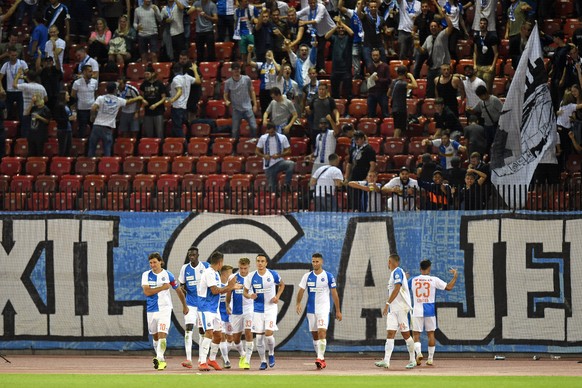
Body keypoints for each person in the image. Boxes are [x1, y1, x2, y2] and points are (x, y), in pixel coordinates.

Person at [141, 252, 188, 371]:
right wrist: (163, 287)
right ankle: (160, 359)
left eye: (155, 262)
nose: (153, 265)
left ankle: (159, 357)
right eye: (150, 263)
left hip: (165, 309)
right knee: (155, 336)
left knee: (162, 334)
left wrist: (184, 305)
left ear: (160, 262)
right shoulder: (146, 275)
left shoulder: (168, 275)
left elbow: (178, 291)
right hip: (151, 310)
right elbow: (147, 292)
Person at [296, 253, 342, 369]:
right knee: (315, 336)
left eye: (317, 261)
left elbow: (334, 294)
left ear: (322, 262)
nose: (315, 263)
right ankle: (320, 357)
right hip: (311, 310)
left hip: (323, 309)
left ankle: (320, 358)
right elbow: (301, 290)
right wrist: (298, 303)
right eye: (313, 261)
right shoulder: (307, 276)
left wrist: (338, 310)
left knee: (322, 332)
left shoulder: (328, 276)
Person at [197, 251, 242, 371]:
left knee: (218, 335)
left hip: (214, 309)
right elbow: (215, 291)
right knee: (209, 332)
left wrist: (230, 287)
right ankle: (202, 361)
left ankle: (211, 359)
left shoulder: (216, 273)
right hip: (205, 307)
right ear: (220, 262)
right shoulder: (209, 273)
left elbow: (219, 289)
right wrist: (231, 287)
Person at [410, 259, 458, 366]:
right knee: (431, 334)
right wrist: (455, 276)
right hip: (430, 310)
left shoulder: (413, 280)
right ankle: (430, 359)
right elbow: (449, 287)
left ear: (420, 268)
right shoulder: (433, 280)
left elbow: (403, 286)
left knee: (416, 334)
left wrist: (405, 277)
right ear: (429, 268)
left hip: (417, 310)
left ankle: (419, 353)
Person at [243, 253, 285, 370]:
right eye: (258, 261)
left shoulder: (273, 274)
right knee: (259, 338)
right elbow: (245, 292)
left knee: (268, 334)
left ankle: (271, 354)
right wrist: (250, 295)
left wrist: (277, 296)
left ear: (266, 263)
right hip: (257, 310)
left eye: (262, 261)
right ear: (256, 263)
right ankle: (262, 361)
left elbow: (282, 285)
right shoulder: (250, 277)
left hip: (270, 308)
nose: (260, 263)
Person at [375, 253, 416, 370]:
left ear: (392, 262)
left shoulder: (397, 271)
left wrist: (387, 303)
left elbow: (397, 288)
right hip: (393, 310)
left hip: (401, 309)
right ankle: (386, 361)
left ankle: (413, 359)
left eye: (388, 261)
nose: (387, 264)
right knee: (390, 333)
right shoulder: (394, 274)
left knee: (406, 335)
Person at [89, 82, 143, 157]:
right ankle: (106, 165)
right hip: (107, 128)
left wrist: (92, 117)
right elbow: (128, 102)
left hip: (97, 126)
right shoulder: (118, 100)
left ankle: (90, 164)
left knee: (91, 148)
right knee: (107, 149)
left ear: (106, 89)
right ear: (115, 90)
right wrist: (137, 98)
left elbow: (93, 108)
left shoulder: (100, 98)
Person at [178, 245, 210, 369]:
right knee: (188, 329)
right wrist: (184, 304)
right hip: (190, 304)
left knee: (202, 332)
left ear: (198, 255)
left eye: (194, 254)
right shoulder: (185, 268)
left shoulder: (206, 266)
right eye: (190, 254)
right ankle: (189, 359)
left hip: (202, 305)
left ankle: (202, 359)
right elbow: (181, 285)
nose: (192, 256)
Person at [414, 16, 453, 98]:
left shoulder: (443, 35)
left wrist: (445, 15)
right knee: (429, 90)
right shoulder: (428, 38)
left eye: (435, 26)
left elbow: (450, 26)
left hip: (441, 67)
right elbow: (423, 51)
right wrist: (417, 46)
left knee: (442, 90)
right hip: (431, 68)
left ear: (439, 28)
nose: (433, 28)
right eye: (431, 26)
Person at [226, 257, 254, 370]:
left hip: (249, 309)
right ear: (238, 266)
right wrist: (227, 305)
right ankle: (242, 354)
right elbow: (228, 292)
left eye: (245, 268)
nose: (243, 270)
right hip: (236, 310)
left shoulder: (252, 277)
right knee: (236, 339)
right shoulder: (233, 277)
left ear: (249, 267)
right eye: (241, 268)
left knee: (248, 332)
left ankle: (247, 360)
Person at [296, 0, 335, 73]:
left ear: (316, 2)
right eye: (310, 3)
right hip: (320, 33)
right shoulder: (308, 9)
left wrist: (304, 22)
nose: (312, 4)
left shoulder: (321, 7)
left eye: (314, 3)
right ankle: (321, 69)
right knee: (319, 49)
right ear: (308, 3)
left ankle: (332, 62)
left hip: (330, 30)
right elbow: (297, 14)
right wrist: (284, 16)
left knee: (334, 47)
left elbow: (317, 20)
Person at [255, 122, 295, 192]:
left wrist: (279, 155)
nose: (271, 134)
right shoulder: (263, 138)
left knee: (291, 164)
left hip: (279, 162)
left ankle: (287, 184)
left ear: (275, 129)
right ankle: (275, 197)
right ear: (267, 130)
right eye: (269, 132)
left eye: (272, 132)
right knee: (272, 189)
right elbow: (257, 151)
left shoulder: (282, 137)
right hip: (268, 166)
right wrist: (264, 155)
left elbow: (289, 151)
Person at [224, 62, 259, 140]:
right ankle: (234, 147)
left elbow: (252, 91)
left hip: (247, 107)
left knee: (254, 126)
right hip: (236, 109)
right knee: (234, 130)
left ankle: (253, 141)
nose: (237, 71)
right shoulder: (228, 82)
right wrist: (226, 100)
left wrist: (255, 104)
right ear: (232, 71)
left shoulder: (246, 79)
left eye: (238, 69)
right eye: (235, 70)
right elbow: (225, 94)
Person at [345, 130, 377, 210]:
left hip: (363, 175)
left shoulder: (369, 149)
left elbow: (372, 165)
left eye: (358, 139)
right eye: (355, 139)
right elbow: (349, 164)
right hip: (354, 175)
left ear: (363, 138)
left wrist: (368, 177)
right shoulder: (353, 149)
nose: (356, 141)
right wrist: (346, 177)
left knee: (362, 198)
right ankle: (354, 211)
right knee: (353, 197)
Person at [167, 62, 200, 137]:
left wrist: (172, 100)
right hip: (184, 107)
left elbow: (179, 91)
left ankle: (184, 144)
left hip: (177, 107)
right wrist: (195, 70)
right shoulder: (187, 77)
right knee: (182, 125)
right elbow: (198, 81)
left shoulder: (176, 79)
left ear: (173, 71)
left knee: (177, 128)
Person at [325, 16, 354, 99]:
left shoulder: (348, 38)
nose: (341, 29)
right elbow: (326, 36)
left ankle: (347, 110)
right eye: (339, 28)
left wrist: (341, 23)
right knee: (334, 93)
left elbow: (351, 33)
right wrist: (336, 27)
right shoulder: (334, 38)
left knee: (348, 93)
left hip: (346, 70)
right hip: (335, 70)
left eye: (342, 28)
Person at [13, 69, 47, 139]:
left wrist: (18, 75)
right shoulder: (41, 87)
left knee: (26, 135)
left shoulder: (26, 86)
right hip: (38, 113)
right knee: (36, 135)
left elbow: (14, 85)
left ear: (27, 77)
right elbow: (46, 99)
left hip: (27, 113)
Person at [469, 85, 503, 151]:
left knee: (497, 143)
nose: (482, 97)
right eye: (480, 96)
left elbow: (502, 111)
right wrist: (469, 110)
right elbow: (475, 110)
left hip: (496, 125)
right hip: (487, 126)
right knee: (488, 143)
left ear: (486, 93)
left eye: (482, 95)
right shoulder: (481, 102)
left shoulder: (494, 100)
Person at [0, 46, 28, 123]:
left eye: (15, 55)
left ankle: (22, 133)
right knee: (7, 112)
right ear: (9, 55)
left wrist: (22, 76)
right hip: (9, 91)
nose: (14, 57)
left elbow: (29, 76)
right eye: (12, 55)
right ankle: (6, 130)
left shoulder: (22, 63)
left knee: (21, 113)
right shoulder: (6, 65)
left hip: (20, 91)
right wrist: (1, 88)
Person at [388, 65, 418, 138]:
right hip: (400, 108)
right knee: (398, 129)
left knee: (398, 127)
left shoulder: (394, 82)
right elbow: (415, 85)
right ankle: (395, 144)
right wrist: (411, 76)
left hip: (394, 108)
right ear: (405, 73)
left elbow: (388, 93)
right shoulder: (402, 83)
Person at [140, 65, 167, 139]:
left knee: (159, 133)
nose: (146, 76)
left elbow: (164, 98)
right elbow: (141, 95)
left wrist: (156, 105)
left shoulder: (159, 84)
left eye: (148, 74)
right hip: (148, 111)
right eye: (145, 74)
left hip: (158, 111)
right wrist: (143, 100)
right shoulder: (144, 84)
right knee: (149, 133)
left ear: (153, 74)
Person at [473, 17, 499, 93]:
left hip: (488, 66)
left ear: (487, 25)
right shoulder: (476, 37)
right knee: (478, 88)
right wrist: (474, 64)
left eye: (484, 24)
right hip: (479, 66)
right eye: (481, 23)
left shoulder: (492, 37)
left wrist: (493, 66)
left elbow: (496, 53)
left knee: (487, 90)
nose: (482, 25)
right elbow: (475, 52)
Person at [366, 47, 390, 119]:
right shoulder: (369, 66)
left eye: (377, 55)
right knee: (370, 114)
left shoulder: (385, 66)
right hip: (372, 93)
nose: (375, 57)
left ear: (380, 56)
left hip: (382, 93)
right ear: (371, 56)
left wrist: (378, 79)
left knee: (385, 114)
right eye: (374, 55)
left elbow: (389, 80)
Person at [218, 265, 234, 368]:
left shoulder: (231, 284)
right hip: (219, 314)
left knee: (231, 339)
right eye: (230, 273)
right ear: (224, 273)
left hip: (229, 314)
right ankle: (226, 359)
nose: (232, 275)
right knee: (221, 337)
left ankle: (223, 354)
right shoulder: (217, 284)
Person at [53, 90, 74, 156]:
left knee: (68, 149)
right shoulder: (58, 106)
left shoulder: (67, 105)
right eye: (67, 95)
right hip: (62, 130)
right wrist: (68, 119)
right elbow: (57, 119)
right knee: (62, 149)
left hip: (69, 129)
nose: (69, 96)